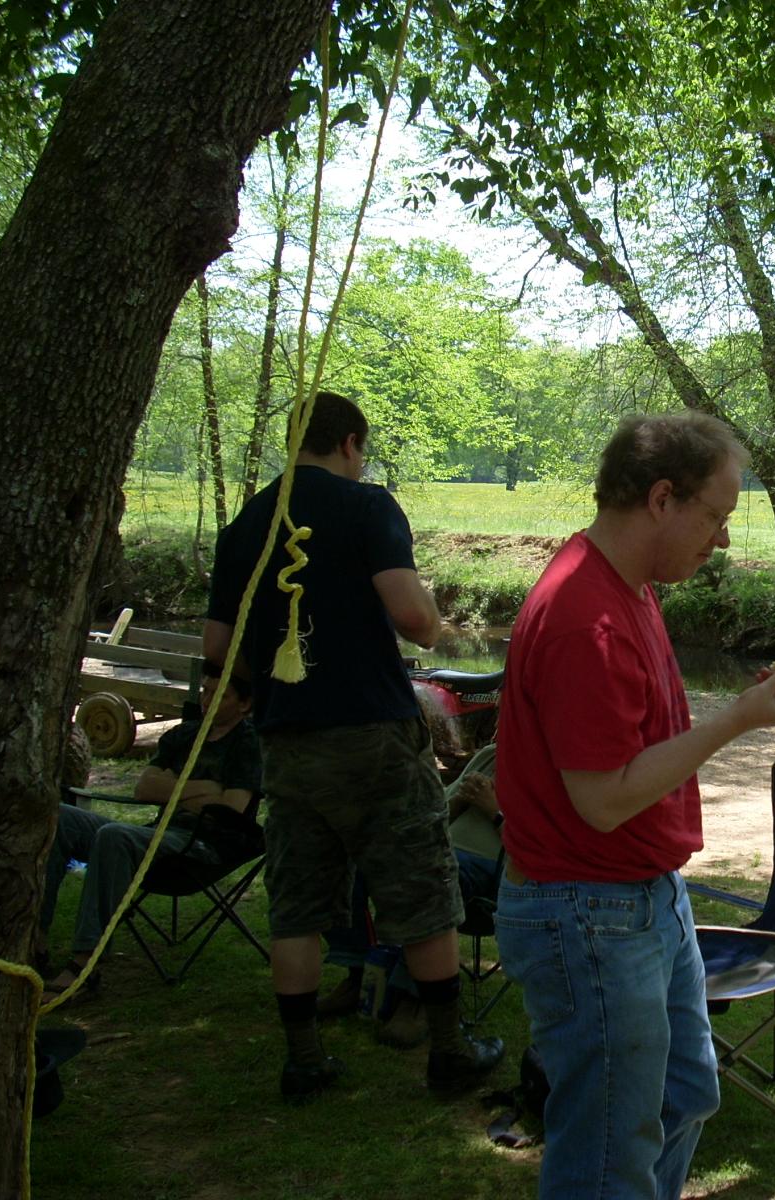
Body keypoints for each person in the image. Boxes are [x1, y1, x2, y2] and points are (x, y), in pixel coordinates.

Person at [494, 410, 775, 1199]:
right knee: (609, 1149)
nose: (723, 540)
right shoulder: (586, 619)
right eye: (717, 516)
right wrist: (737, 721)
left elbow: (633, 741)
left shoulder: (629, 588)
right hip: (589, 912)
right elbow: (603, 801)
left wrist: (737, 711)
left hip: (643, 897)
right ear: (663, 498)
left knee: (683, 1095)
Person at [204, 389, 500, 1104]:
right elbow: (415, 620)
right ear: (348, 443)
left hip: (286, 741)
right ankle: (449, 1053)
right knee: (421, 888)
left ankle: (304, 1061)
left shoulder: (247, 523)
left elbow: (217, 648)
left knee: (298, 905)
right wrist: (432, 613)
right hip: (373, 737)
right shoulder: (368, 507)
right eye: (361, 452)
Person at [41, 662, 262, 1002]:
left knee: (114, 835)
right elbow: (144, 788)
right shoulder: (184, 735)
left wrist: (170, 787)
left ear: (244, 704)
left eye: (220, 695)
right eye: (205, 691)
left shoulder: (249, 744)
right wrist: (203, 789)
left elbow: (230, 809)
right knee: (60, 816)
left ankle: (84, 967)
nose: (207, 700)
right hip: (161, 834)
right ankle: (34, 942)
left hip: (203, 848)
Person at [318, 748, 505, 1048]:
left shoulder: (548, 772)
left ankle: (417, 997)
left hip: (490, 874)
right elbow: (434, 816)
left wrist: (493, 810)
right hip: (436, 851)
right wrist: (459, 801)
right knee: (345, 859)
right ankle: (360, 972)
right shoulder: (490, 756)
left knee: (433, 873)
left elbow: (540, 851)